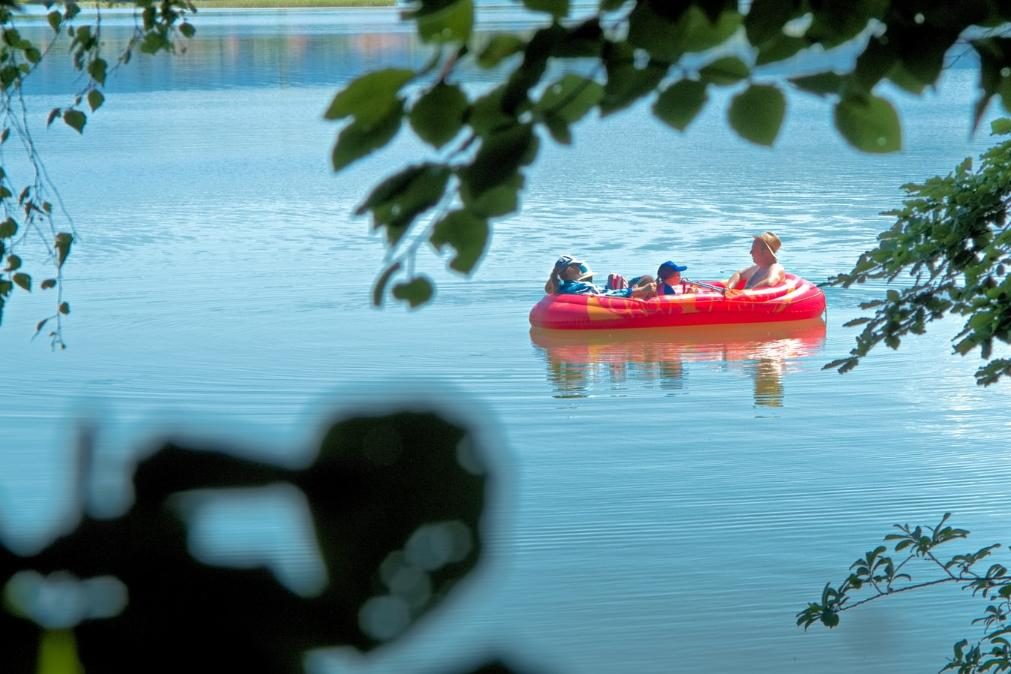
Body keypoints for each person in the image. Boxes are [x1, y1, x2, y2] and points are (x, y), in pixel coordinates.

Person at [545, 256, 655, 299]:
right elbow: (607, 295)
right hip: (617, 300)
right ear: (569, 270)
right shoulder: (582, 286)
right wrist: (641, 290)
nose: (579, 268)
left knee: (614, 278)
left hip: (607, 294)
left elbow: (548, 289)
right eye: (577, 266)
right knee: (647, 279)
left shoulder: (561, 286)